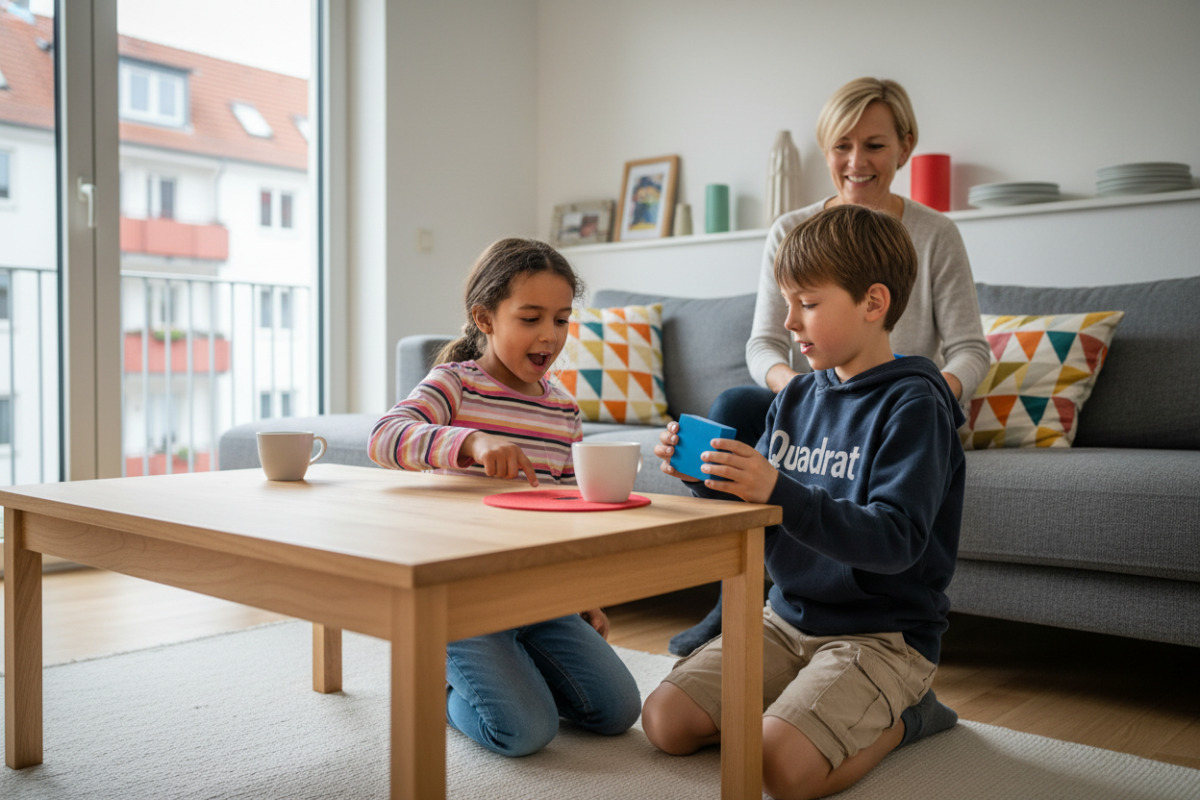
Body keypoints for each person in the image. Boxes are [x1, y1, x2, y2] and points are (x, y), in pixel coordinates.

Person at [642, 205, 966, 800]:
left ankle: (911, 716)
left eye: (808, 303)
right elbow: (766, 510)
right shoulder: (796, 398)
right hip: (784, 619)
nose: (789, 321)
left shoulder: (916, 406)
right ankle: (803, 707)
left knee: (778, 769)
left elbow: (895, 542)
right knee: (664, 721)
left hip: (881, 637)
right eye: (788, 302)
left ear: (873, 303)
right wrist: (708, 477)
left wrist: (778, 489)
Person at [668, 76, 989, 658]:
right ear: (825, 149)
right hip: (814, 388)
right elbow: (765, 343)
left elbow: (971, 349)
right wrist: (809, 394)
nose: (856, 161)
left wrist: (914, 394)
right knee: (735, 405)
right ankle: (735, 598)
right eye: (843, 145)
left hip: (895, 400)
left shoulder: (935, 234)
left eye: (874, 145)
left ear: (905, 147)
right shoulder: (792, 232)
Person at [367, 237, 641, 757]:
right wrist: (470, 441)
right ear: (485, 318)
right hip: (461, 598)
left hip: (536, 594)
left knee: (617, 711)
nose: (549, 335)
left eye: (561, 320)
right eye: (530, 318)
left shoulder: (563, 411)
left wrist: (582, 593)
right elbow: (384, 437)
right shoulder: (455, 384)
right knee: (525, 732)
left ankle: (515, 669)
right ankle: (440, 685)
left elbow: (568, 516)